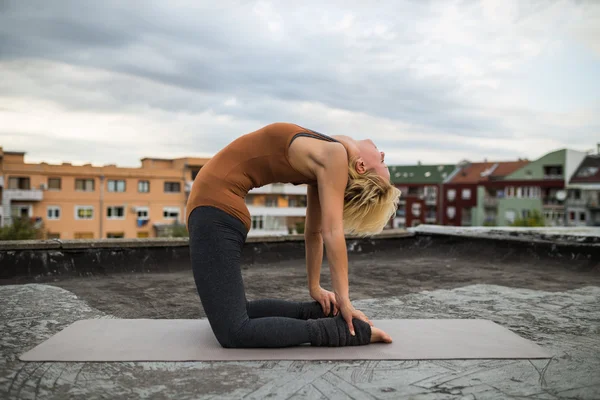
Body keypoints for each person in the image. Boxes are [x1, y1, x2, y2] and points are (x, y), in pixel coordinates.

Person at [186, 122, 401, 348]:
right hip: (215, 207)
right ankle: (321, 313)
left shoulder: (333, 155)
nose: (383, 153)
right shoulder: (327, 152)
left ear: (360, 166)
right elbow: (313, 232)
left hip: (214, 208)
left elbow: (329, 231)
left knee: (235, 331)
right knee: (239, 312)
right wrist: (315, 288)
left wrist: (344, 301)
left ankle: (347, 332)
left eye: (382, 161)